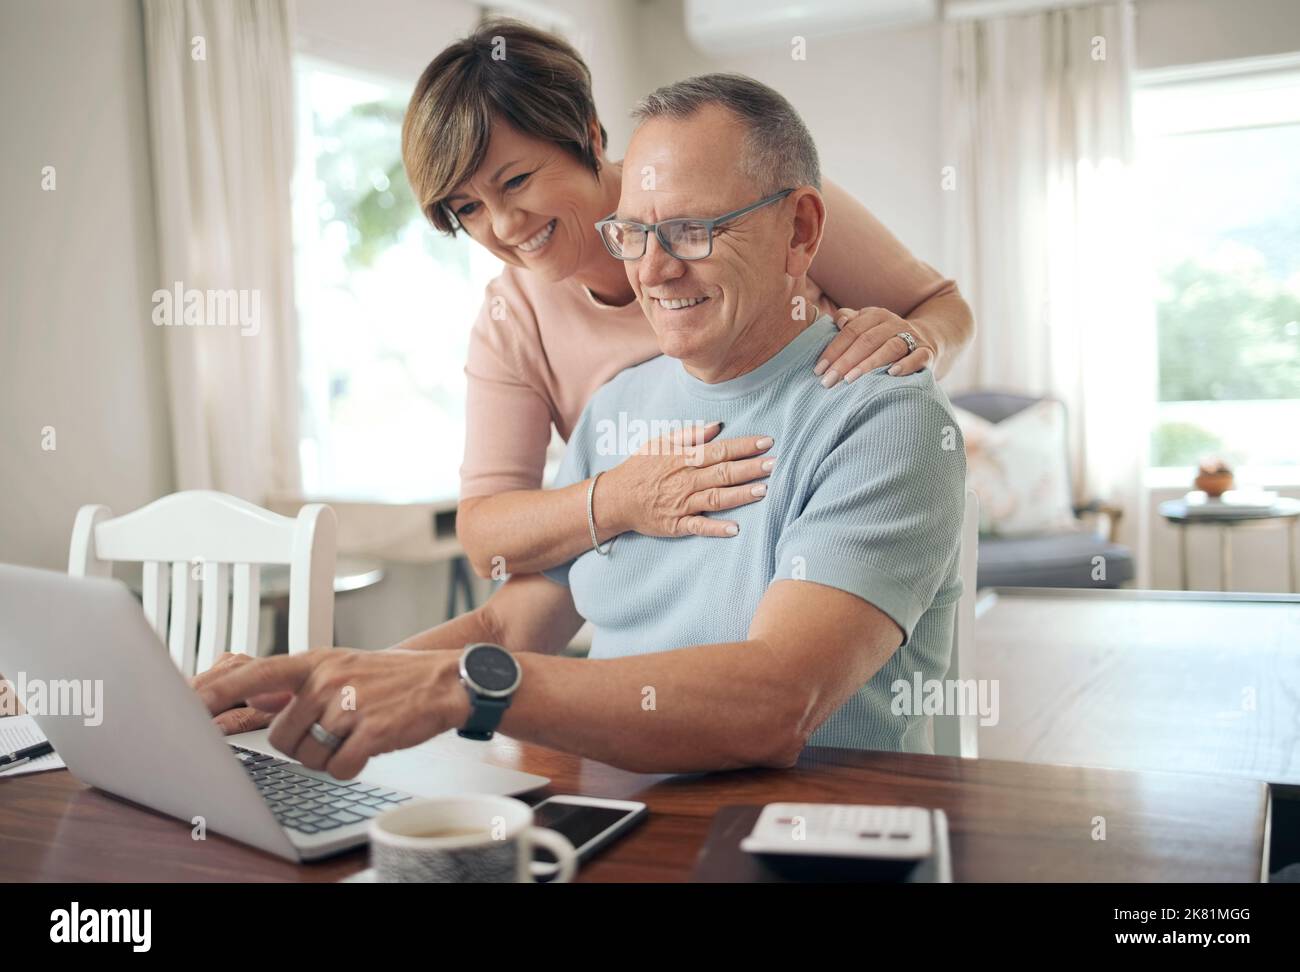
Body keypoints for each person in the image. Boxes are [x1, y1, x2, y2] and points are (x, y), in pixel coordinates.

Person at [198, 74, 967, 778]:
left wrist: (468, 690)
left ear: (800, 232)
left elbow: (776, 704)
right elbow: (507, 622)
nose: (655, 272)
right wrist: (317, 681)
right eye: (632, 234)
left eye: (694, 230)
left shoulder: (882, 416)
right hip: (604, 820)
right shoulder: (614, 411)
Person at [399, 18, 974, 576]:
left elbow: (941, 306)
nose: (502, 225)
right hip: (670, 583)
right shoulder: (513, 318)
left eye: (516, 181)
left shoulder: (757, 201)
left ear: (589, 138)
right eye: (467, 208)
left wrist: (917, 340)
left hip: (811, 537)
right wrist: (624, 497)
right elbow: (485, 531)